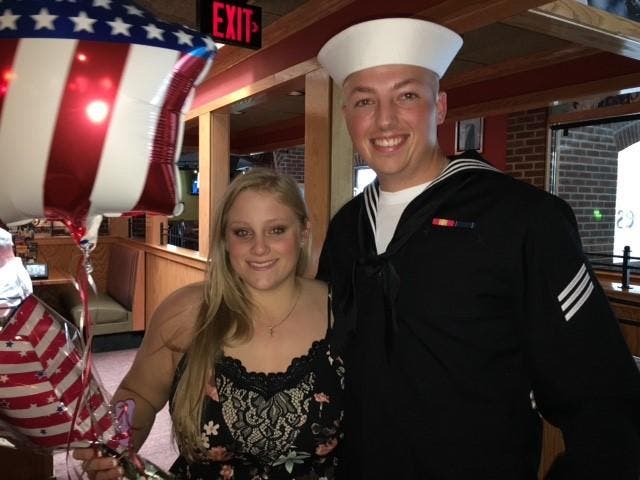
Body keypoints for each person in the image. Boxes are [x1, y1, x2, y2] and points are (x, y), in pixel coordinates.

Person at [316, 17, 640, 480]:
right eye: (365, 100)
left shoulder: (523, 219)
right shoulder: (347, 228)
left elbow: (606, 404)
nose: (384, 120)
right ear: (347, 114)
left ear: (440, 107)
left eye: (407, 96)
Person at [74, 169, 344, 479]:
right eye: (242, 232)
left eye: (276, 230)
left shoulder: (341, 310)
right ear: (225, 239)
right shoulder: (184, 313)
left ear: (304, 232)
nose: (259, 248)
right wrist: (116, 445)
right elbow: (140, 395)